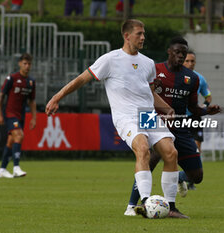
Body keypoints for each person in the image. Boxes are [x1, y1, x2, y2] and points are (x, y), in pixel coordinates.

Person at [45, 19, 182, 219]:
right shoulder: (110, 59)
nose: (143, 37)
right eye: (139, 33)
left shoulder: (148, 63)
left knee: (171, 153)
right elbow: (81, 79)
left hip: (147, 115)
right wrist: (57, 97)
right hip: (126, 116)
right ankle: (146, 204)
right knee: (142, 148)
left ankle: (170, 207)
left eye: (144, 33)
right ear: (126, 36)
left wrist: (167, 108)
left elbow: (150, 94)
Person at [123, 37, 221, 218]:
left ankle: (179, 179)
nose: (181, 56)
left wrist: (206, 111)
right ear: (169, 52)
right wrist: (150, 88)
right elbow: (138, 91)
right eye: (177, 52)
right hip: (153, 121)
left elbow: (192, 108)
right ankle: (135, 206)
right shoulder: (154, 70)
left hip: (179, 126)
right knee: (149, 160)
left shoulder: (192, 78)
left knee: (197, 175)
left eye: (184, 53)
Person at [0, 53, 36, 178]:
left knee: (11, 141)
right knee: (19, 136)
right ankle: (16, 167)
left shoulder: (31, 82)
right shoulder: (12, 78)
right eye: (25, 63)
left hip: (21, 115)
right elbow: (2, 96)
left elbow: (32, 101)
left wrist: (34, 117)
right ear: (20, 64)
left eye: (29, 64)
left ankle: (2, 170)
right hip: (9, 113)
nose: (27, 66)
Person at [183, 50, 212, 190]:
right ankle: (180, 177)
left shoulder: (200, 78)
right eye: (187, 61)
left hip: (195, 117)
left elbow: (208, 97)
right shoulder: (177, 76)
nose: (189, 64)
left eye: (192, 61)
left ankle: (190, 181)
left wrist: (204, 106)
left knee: (196, 149)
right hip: (179, 117)